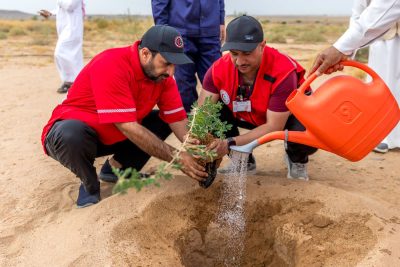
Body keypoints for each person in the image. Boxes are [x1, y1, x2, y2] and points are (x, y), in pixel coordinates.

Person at [41, 25, 208, 208]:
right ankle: (89, 185)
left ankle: (117, 170)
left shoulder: (163, 78)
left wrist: (201, 151)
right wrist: (178, 158)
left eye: (175, 64)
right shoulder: (112, 63)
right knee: (71, 134)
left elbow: (177, 120)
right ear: (145, 54)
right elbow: (126, 125)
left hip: (114, 132)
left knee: (162, 120)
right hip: (74, 134)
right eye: (167, 63)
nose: (171, 72)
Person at [198, 15, 317, 180]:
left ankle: (297, 159)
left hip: (286, 117)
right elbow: (202, 114)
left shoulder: (283, 72)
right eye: (234, 53)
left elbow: (273, 126)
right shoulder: (218, 70)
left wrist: (229, 143)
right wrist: (196, 145)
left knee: (305, 132)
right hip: (248, 113)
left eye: (247, 53)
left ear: (262, 45)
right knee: (211, 113)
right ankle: (242, 161)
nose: (240, 61)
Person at [151, 0, 225, 112]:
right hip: (180, 31)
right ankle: (190, 125)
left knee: (217, 82)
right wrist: (163, 29)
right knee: (184, 85)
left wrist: (221, 19)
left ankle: (217, 127)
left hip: (211, 30)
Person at [351, 0, 400, 153]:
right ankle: (381, 137)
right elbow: (358, 11)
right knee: (382, 85)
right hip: (382, 40)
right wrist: (351, 46)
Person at [310, 0, 400, 76]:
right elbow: (359, 10)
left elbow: (388, 5)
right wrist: (346, 50)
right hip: (379, 46)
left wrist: (341, 48)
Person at [39, 0, 85, 93]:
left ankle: (70, 82)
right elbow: (62, 8)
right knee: (73, 56)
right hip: (66, 29)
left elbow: (70, 6)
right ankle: (76, 82)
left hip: (72, 29)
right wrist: (51, 13)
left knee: (60, 53)